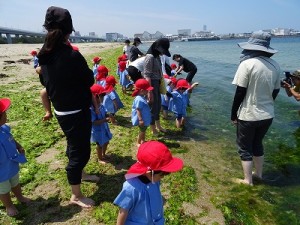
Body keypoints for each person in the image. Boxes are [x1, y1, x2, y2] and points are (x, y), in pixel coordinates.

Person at [37, 6, 95, 207]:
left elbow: (45, 83)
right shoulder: (71, 55)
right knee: (80, 151)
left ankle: (82, 173)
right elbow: (89, 78)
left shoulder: (44, 54)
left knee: (74, 144)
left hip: (62, 109)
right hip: (75, 111)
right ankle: (76, 195)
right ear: (68, 31)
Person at [230, 31, 281, 186]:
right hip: (267, 115)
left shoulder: (247, 64)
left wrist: (233, 114)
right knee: (258, 143)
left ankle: (247, 180)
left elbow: (240, 92)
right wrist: (266, 103)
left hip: (249, 115)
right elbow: (276, 90)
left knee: (244, 148)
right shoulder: (275, 65)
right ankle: (258, 174)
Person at [114, 140, 183, 225]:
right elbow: (123, 210)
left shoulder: (154, 180)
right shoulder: (131, 188)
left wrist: (159, 200)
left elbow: (154, 192)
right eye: (161, 175)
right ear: (149, 172)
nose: (163, 177)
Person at [0, 98, 30, 216]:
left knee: (15, 182)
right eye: (5, 113)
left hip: (11, 163)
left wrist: (18, 146)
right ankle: (9, 206)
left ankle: (20, 197)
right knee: (3, 189)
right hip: (1, 171)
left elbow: (10, 138)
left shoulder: (3, 129)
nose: (7, 114)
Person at [144, 38, 171, 135]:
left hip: (158, 82)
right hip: (152, 84)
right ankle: (153, 128)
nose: (162, 53)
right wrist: (149, 91)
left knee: (158, 105)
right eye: (162, 51)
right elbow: (147, 75)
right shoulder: (150, 57)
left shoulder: (157, 56)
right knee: (153, 106)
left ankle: (158, 125)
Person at [90, 84, 112, 164]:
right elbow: (93, 122)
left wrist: (107, 115)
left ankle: (104, 154)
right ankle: (100, 158)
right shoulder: (91, 109)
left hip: (104, 128)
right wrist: (104, 120)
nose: (103, 97)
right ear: (94, 97)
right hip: (98, 131)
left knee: (106, 141)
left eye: (103, 95)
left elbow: (104, 112)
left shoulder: (101, 105)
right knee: (100, 145)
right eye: (101, 95)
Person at [131, 79, 153, 146]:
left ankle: (143, 140)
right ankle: (138, 142)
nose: (148, 91)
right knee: (142, 131)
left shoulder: (142, 97)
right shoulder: (139, 99)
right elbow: (138, 109)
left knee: (143, 130)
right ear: (142, 91)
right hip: (142, 119)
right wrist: (140, 120)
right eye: (147, 90)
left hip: (144, 118)